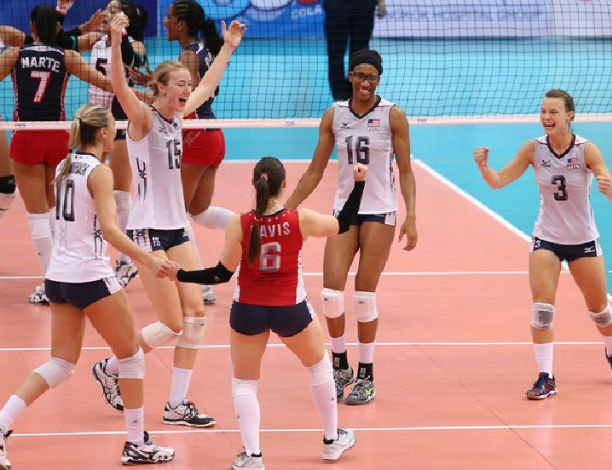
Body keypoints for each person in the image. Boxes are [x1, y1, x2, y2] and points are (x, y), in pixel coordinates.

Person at [90, 12, 246, 427]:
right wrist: (115, 38)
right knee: (173, 323)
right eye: (180, 84)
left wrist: (228, 49)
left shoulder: (179, 117)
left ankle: (177, 404)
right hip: (147, 230)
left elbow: (208, 86)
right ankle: (111, 367)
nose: (188, 90)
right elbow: (120, 86)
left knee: (196, 317)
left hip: (177, 228)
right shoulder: (143, 118)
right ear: (161, 88)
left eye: (187, 85)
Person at [0, 103, 175, 470]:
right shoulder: (100, 172)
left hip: (58, 277)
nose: (118, 132)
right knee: (131, 357)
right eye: (114, 127)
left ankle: (1, 425)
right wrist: (149, 260)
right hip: (90, 276)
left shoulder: (64, 166)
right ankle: (136, 443)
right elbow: (109, 230)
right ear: (104, 133)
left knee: (61, 364)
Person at [163, 156, 362, 470]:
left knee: (245, 383)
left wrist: (181, 275)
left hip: (248, 311)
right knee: (319, 366)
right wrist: (359, 184)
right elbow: (345, 223)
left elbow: (220, 274)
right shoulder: (301, 219)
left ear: (254, 184)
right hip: (291, 309)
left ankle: (253, 456)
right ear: (284, 185)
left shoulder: (240, 223)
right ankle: (331, 440)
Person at [473, 89, 612, 399]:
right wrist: (484, 167)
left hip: (583, 240)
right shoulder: (533, 149)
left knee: (600, 312)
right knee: (542, 311)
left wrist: (609, 187)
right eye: (543, 111)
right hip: (547, 238)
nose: (546, 117)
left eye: (553, 112)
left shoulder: (586, 150)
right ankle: (546, 377)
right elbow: (498, 181)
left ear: (569, 115)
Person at [285, 48, 418, 405]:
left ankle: (367, 374)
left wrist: (412, 216)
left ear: (379, 80)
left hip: (380, 210)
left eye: (371, 77)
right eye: (359, 75)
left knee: (363, 295)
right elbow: (315, 170)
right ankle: (340, 363)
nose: (365, 82)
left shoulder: (393, 116)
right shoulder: (335, 115)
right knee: (330, 292)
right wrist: (285, 210)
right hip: (344, 212)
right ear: (351, 77)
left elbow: (406, 171)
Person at [0, 4, 115, 305]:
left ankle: (52, 285)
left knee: (37, 215)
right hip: (58, 137)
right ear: (57, 28)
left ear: (32, 27)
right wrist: (139, 92)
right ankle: (64, 276)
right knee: (55, 211)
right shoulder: (67, 56)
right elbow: (104, 82)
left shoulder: (14, 55)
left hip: (26, 136)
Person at [163, 0, 235, 305]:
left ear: (181, 23)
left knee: (176, 214)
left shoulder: (187, 56)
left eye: (168, 17)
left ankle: (200, 286)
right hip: (213, 134)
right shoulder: (205, 49)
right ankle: (253, 230)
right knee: (199, 211)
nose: (164, 22)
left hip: (195, 137)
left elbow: (183, 101)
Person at [87, 0, 149, 288]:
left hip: (122, 121)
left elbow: (133, 62)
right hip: (94, 122)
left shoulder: (134, 44)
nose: (105, 13)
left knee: (121, 194)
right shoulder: (95, 40)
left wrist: (119, 35)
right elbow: (58, 39)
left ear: (125, 20)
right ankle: (93, 255)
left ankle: (127, 261)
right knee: (90, 192)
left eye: (112, 10)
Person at [323, 0, 386, 101]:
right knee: (335, 53)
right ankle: (339, 98)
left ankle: (356, 95)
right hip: (336, 5)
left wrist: (381, 2)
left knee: (361, 54)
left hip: (364, 5)